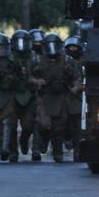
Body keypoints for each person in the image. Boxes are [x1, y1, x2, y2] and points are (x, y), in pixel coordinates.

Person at [30, 33, 78, 163]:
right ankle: (42, 143)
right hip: (44, 97)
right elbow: (28, 77)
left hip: (61, 97)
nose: (52, 49)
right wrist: (37, 81)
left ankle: (58, 153)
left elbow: (76, 77)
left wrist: (75, 87)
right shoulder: (37, 61)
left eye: (54, 46)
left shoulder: (67, 61)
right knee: (43, 124)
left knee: (59, 127)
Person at [0, 33, 23, 162]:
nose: (1, 50)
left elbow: (21, 78)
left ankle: (10, 151)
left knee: (10, 124)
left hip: (8, 96)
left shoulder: (13, 61)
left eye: (3, 47)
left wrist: (12, 79)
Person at [9, 30, 36, 162]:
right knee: (11, 125)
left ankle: (24, 140)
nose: (21, 45)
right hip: (12, 96)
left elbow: (40, 73)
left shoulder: (34, 57)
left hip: (29, 95)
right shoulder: (8, 57)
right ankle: (13, 152)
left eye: (24, 42)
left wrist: (36, 80)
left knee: (28, 125)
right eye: (19, 42)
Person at [64, 32, 86, 161]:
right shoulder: (64, 62)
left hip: (81, 97)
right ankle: (67, 140)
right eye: (70, 48)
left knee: (78, 126)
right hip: (67, 96)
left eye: (75, 48)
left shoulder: (86, 60)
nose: (73, 50)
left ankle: (77, 152)